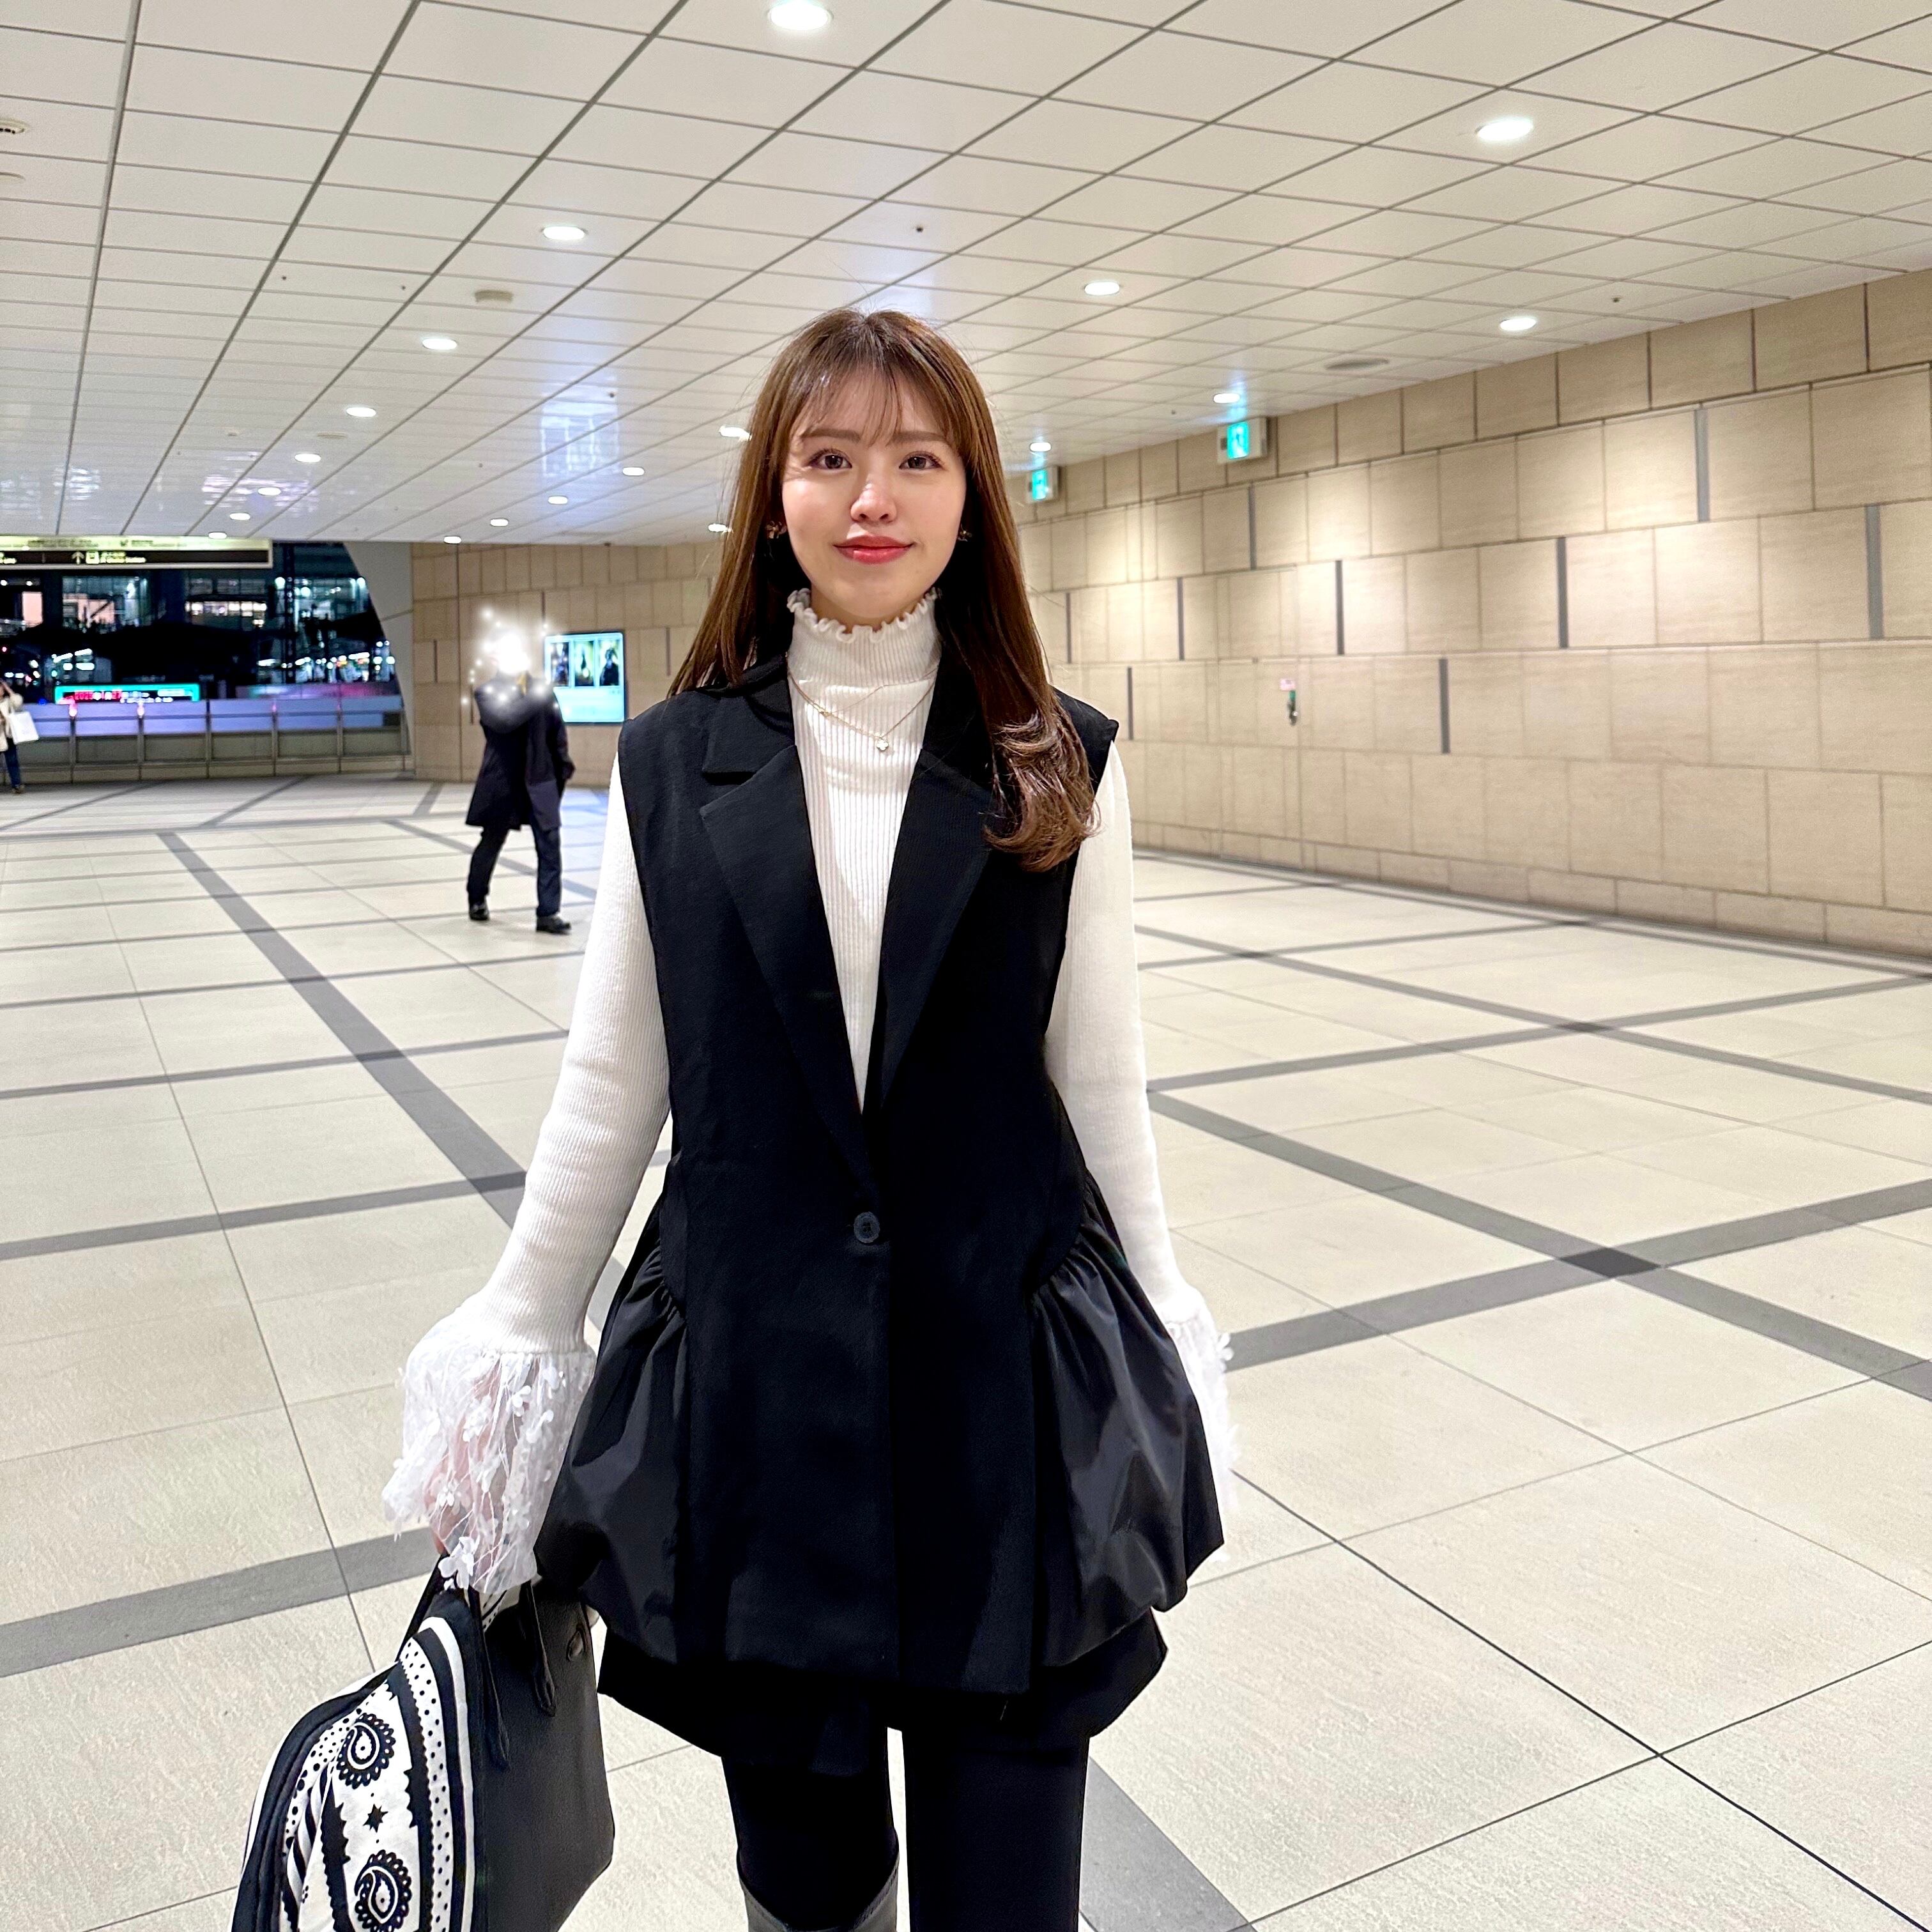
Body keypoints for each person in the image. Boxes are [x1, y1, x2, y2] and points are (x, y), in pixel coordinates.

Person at [384, 309, 1234, 1932]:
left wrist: (1167, 1315)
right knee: (808, 1886)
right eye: (830, 456)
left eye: (919, 459)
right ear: (773, 493)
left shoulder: (1059, 761)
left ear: (973, 497)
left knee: (1008, 1880)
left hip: (1001, 1402)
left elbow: (1099, 1078)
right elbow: (611, 1082)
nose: (874, 497)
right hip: (760, 1402)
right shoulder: (671, 763)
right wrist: (521, 1326)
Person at [464, 660, 574, 933]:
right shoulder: (487, 692)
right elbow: (504, 721)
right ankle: (477, 897)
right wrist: (537, 695)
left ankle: (548, 912)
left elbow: (557, 732)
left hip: (541, 779)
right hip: (503, 782)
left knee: (550, 846)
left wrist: (562, 769)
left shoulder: (541, 691)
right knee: (492, 841)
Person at [1, 677, 26, 792]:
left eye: (2, 688)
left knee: (12, 762)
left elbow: (18, 702)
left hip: (8, 736)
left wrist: (9, 689)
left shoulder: (8, 702)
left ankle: (16, 785)